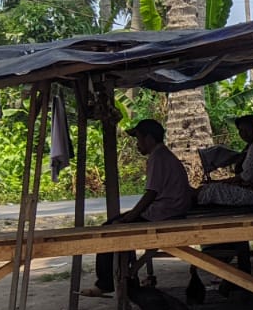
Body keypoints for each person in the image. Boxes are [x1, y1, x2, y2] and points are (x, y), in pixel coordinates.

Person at [82, 119, 193, 297]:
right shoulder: (163, 155)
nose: (137, 144)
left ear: (149, 139)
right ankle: (127, 278)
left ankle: (106, 283)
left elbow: (151, 194)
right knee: (118, 225)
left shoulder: (158, 157)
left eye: (138, 139)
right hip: (169, 210)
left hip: (163, 213)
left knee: (109, 230)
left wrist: (131, 216)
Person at [196, 114, 253, 210]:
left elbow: (245, 177)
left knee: (211, 190)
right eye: (241, 130)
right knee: (208, 188)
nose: (244, 133)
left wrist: (218, 182)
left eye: (247, 129)